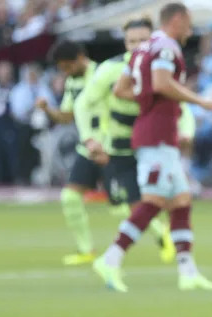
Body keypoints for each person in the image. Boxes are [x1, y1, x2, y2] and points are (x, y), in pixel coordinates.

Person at [92, 3, 212, 292]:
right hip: (157, 136)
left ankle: (187, 272)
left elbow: (121, 89)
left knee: (180, 200)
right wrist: (201, 101)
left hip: (155, 133)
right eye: (188, 23)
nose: (190, 30)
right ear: (176, 20)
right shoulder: (166, 47)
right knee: (152, 201)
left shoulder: (142, 49)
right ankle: (110, 258)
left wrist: (147, 98)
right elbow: (163, 83)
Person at [73, 18, 175, 266]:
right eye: (132, 41)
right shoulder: (110, 70)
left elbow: (177, 104)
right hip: (121, 148)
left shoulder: (162, 68)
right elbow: (83, 104)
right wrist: (89, 139)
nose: (138, 46)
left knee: (168, 197)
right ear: (125, 43)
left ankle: (171, 243)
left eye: (143, 40)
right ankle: (162, 236)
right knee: (135, 204)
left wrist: (185, 132)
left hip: (153, 146)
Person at [36, 40, 100, 265]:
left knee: (124, 207)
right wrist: (47, 110)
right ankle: (86, 250)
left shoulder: (102, 74)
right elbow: (66, 116)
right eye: (62, 69)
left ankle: (163, 235)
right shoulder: (73, 82)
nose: (66, 72)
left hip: (110, 146)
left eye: (67, 66)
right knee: (70, 197)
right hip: (87, 148)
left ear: (81, 57)